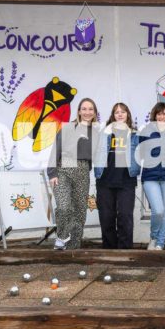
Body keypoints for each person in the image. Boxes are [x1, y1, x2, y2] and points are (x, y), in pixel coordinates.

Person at [48, 98, 99, 250]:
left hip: (83, 170)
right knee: (64, 206)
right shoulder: (68, 128)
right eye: (84, 109)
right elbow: (55, 150)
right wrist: (52, 173)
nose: (87, 112)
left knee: (80, 211)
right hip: (64, 168)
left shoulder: (96, 132)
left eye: (90, 109)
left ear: (95, 112)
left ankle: (73, 247)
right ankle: (62, 237)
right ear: (79, 111)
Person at [93, 102, 140, 249]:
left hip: (126, 180)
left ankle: (125, 250)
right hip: (105, 180)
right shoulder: (103, 132)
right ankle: (109, 249)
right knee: (106, 217)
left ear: (128, 115)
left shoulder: (135, 134)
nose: (120, 114)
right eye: (117, 112)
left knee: (125, 216)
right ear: (113, 115)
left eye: (123, 111)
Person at [139, 102, 165, 250]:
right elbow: (139, 151)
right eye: (159, 114)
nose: (162, 116)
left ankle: (161, 243)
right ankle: (154, 237)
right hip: (150, 177)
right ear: (155, 115)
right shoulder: (146, 130)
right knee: (158, 210)